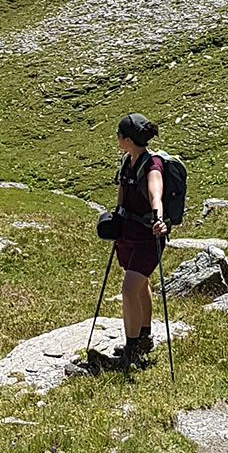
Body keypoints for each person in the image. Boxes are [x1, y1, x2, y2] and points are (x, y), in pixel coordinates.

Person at [93, 114, 177, 370]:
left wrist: (159, 219)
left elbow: (156, 194)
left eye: (119, 135)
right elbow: (123, 191)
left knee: (129, 289)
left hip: (147, 237)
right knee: (140, 286)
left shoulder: (151, 165)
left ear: (128, 139)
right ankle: (143, 337)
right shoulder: (127, 161)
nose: (116, 138)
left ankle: (130, 353)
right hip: (128, 234)